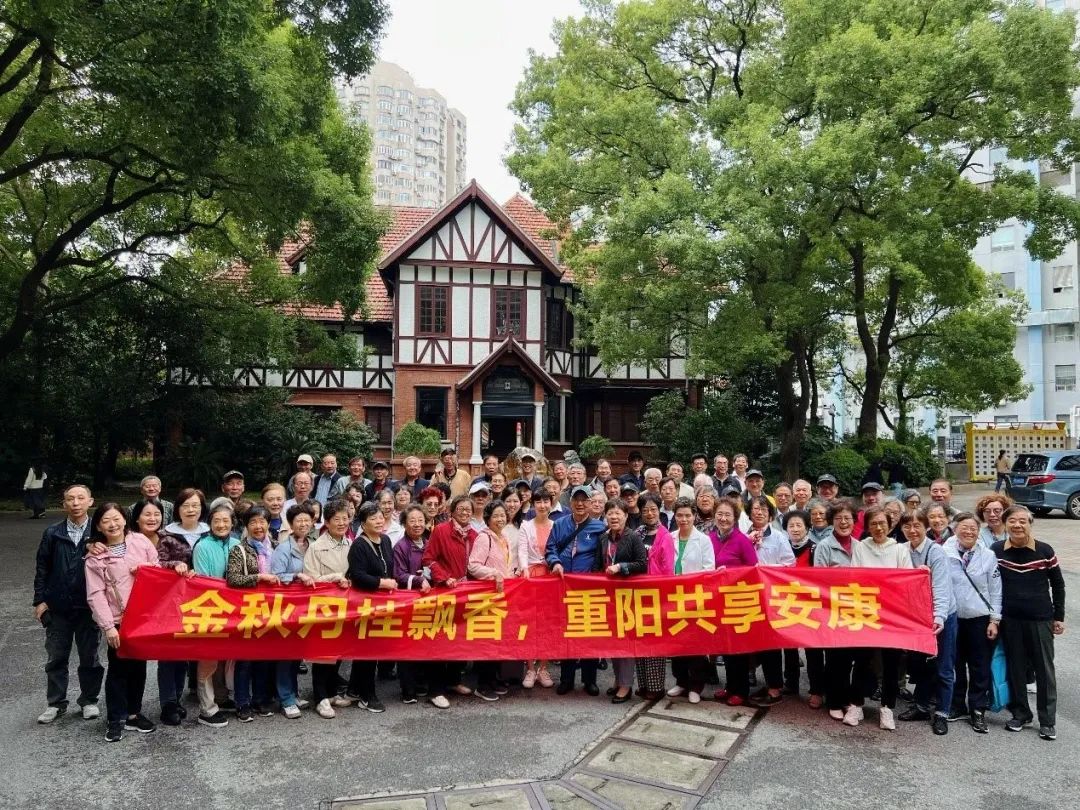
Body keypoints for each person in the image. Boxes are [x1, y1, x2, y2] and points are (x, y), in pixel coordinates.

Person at [83, 503, 160, 742]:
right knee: (118, 669)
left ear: (125, 519)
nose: (113, 524)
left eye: (116, 518)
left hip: (143, 618)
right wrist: (108, 627)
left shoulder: (140, 541)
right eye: (106, 521)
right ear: (98, 526)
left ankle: (133, 714)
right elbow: (95, 594)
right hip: (118, 620)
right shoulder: (95, 557)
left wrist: (147, 568)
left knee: (139, 667)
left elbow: (157, 568)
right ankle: (115, 718)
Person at [993, 505, 1065, 740]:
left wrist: (1058, 617)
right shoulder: (996, 551)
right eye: (1012, 521)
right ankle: (1021, 713)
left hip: (1040, 619)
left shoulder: (1045, 550)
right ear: (1005, 524)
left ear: (1030, 524)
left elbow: (1058, 585)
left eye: (1022, 521)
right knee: (1015, 668)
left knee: (1044, 670)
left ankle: (1047, 720)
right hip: (1010, 620)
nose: (1017, 525)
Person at [33, 484, 104, 725]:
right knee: (56, 657)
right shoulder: (53, 533)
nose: (75, 503)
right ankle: (56, 703)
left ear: (90, 501)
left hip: (88, 607)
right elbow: (42, 568)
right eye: (70, 499)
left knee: (90, 657)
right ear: (63, 504)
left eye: (80, 498)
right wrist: (40, 600)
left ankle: (89, 700)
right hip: (58, 607)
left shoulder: (99, 531)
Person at [850, 505, 913, 730]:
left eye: (882, 523)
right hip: (866, 611)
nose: (878, 528)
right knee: (862, 660)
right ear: (867, 526)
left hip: (892, 614)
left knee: (891, 663)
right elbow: (855, 577)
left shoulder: (899, 549)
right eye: (874, 524)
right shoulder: (860, 547)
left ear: (890, 525)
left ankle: (887, 708)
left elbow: (907, 579)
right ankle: (856, 704)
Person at [898, 508, 958, 736]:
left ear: (926, 527)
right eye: (907, 526)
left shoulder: (936, 552)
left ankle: (942, 712)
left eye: (917, 526)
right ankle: (921, 707)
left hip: (942, 616)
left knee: (944, 666)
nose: (912, 531)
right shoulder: (902, 550)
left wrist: (939, 617)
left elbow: (942, 588)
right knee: (922, 664)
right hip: (917, 615)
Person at [943, 512, 1001, 733]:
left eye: (973, 528)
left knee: (980, 665)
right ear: (955, 529)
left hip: (980, 618)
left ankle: (978, 708)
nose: (968, 532)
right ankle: (957, 704)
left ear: (979, 532)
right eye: (964, 527)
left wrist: (995, 620)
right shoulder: (944, 553)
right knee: (955, 663)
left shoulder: (988, 555)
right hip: (953, 618)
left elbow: (996, 590)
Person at [546, 486, 607, 695]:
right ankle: (566, 679)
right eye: (576, 500)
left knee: (590, 634)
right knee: (567, 633)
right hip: (564, 586)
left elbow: (604, 555)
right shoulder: (560, 524)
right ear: (570, 502)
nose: (580, 504)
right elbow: (550, 548)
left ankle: (590, 680)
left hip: (589, 589)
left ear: (590, 503)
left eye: (584, 500)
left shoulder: (600, 527)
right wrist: (555, 562)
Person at [225, 506, 281, 722]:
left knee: (264, 657)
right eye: (253, 522)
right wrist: (259, 578)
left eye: (262, 521)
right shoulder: (239, 550)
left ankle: (260, 699)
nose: (258, 526)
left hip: (272, 609)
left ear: (268, 523)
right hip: (248, 609)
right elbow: (233, 579)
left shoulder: (275, 546)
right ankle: (242, 702)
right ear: (246, 526)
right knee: (246, 658)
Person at [421, 496, 478, 708]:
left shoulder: (474, 535)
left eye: (468, 509)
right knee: (440, 640)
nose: (465, 512)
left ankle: (454, 680)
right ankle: (435, 690)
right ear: (452, 511)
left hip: (465, 595)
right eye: (460, 508)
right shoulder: (441, 530)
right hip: (444, 592)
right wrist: (444, 577)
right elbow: (428, 559)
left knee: (460, 638)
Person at [814, 499, 867, 726]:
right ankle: (834, 701)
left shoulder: (861, 546)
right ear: (831, 521)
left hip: (856, 610)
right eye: (838, 518)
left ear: (854, 521)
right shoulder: (824, 546)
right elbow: (818, 580)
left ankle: (848, 699)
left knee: (854, 658)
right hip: (833, 610)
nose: (843, 522)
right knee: (836, 659)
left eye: (847, 518)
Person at [303, 498, 354, 719]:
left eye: (345, 518)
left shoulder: (350, 543)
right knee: (322, 654)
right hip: (323, 605)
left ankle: (332, 692)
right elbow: (310, 579)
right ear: (327, 522)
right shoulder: (316, 547)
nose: (342, 523)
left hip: (345, 605)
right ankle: (320, 697)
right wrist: (333, 578)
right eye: (337, 519)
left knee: (339, 651)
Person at [346, 500, 397, 713]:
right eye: (372, 518)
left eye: (380, 517)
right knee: (367, 649)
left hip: (383, 603)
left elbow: (389, 567)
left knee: (373, 647)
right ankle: (367, 696)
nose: (378, 521)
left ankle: (354, 689)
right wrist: (381, 583)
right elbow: (357, 575)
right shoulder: (359, 545)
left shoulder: (385, 540)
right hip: (365, 604)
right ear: (363, 523)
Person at [595, 499, 648, 703]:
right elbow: (598, 565)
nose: (614, 517)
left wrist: (621, 567)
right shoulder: (603, 538)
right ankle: (618, 680)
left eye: (618, 513)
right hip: (609, 596)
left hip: (628, 596)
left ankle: (626, 685)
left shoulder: (633, 537)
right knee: (613, 640)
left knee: (626, 640)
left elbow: (642, 564)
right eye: (610, 513)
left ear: (626, 516)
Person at [745, 495, 795, 707]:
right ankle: (766, 683)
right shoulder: (743, 535)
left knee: (771, 644)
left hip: (771, 596)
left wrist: (764, 571)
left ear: (771, 514)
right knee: (754, 643)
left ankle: (775, 689)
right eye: (755, 509)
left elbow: (789, 564)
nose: (759, 512)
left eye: (764, 509)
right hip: (749, 597)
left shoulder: (779, 537)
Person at [666, 498, 716, 704]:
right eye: (679, 515)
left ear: (694, 516)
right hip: (673, 597)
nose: (684, 519)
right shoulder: (669, 537)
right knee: (677, 641)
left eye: (687, 515)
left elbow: (709, 569)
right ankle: (681, 681)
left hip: (695, 597)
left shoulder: (703, 540)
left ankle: (696, 685)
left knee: (695, 643)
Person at [270, 503, 317, 719]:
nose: (304, 524)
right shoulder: (283, 549)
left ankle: (294, 692)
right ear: (290, 524)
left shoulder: (314, 544)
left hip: (309, 607)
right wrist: (297, 576)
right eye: (299, 520)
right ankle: (285, 698)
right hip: (288, 607)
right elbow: (277, 576)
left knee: (298, 652)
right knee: (285, 653)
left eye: (307, 520)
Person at [709, 497, 758, 706]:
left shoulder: (742, 540)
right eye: (719, 514)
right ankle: (730, 686)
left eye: (728, 515)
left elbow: (754, 569)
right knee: (725, 646)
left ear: (736, 518)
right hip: (717, 600)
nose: (723, 518)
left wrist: (730, 573)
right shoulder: (710, 538)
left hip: (738, 600)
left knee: (739, 648)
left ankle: (741, 690)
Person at [468, 500, 518, 701]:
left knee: (498, 639)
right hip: (486, 597)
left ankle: (494, 678)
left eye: (502, 515)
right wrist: (494, 574)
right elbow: (473, 566)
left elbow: (505, 565)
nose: (500, 519)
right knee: (486, 640)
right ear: (488, 518)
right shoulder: (484, 538)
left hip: (502, 597)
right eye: (496, 515)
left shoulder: (504, 538)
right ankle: (483, 684)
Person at [782, 510, 826, 707]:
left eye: (799, 525)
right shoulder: (783, 548)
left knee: (813, 650)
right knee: (789, 648)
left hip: (810, 606)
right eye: (791, 526)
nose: (795, 529)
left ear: (807, 527)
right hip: (787, 604)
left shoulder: (816, 549)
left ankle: (816, 689)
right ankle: (790, 683)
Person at [392, 504, 432, 704]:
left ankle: (422, 681)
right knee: (407, 644)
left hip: (427, 601)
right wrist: (418, 579)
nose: (417, 524)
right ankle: (407, 688)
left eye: (420, 520)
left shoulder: (429, 543)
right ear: (404, 524)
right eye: (412, 521)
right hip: (407, 602)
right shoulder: (401, 547)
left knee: (425, 641)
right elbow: (398, 574)